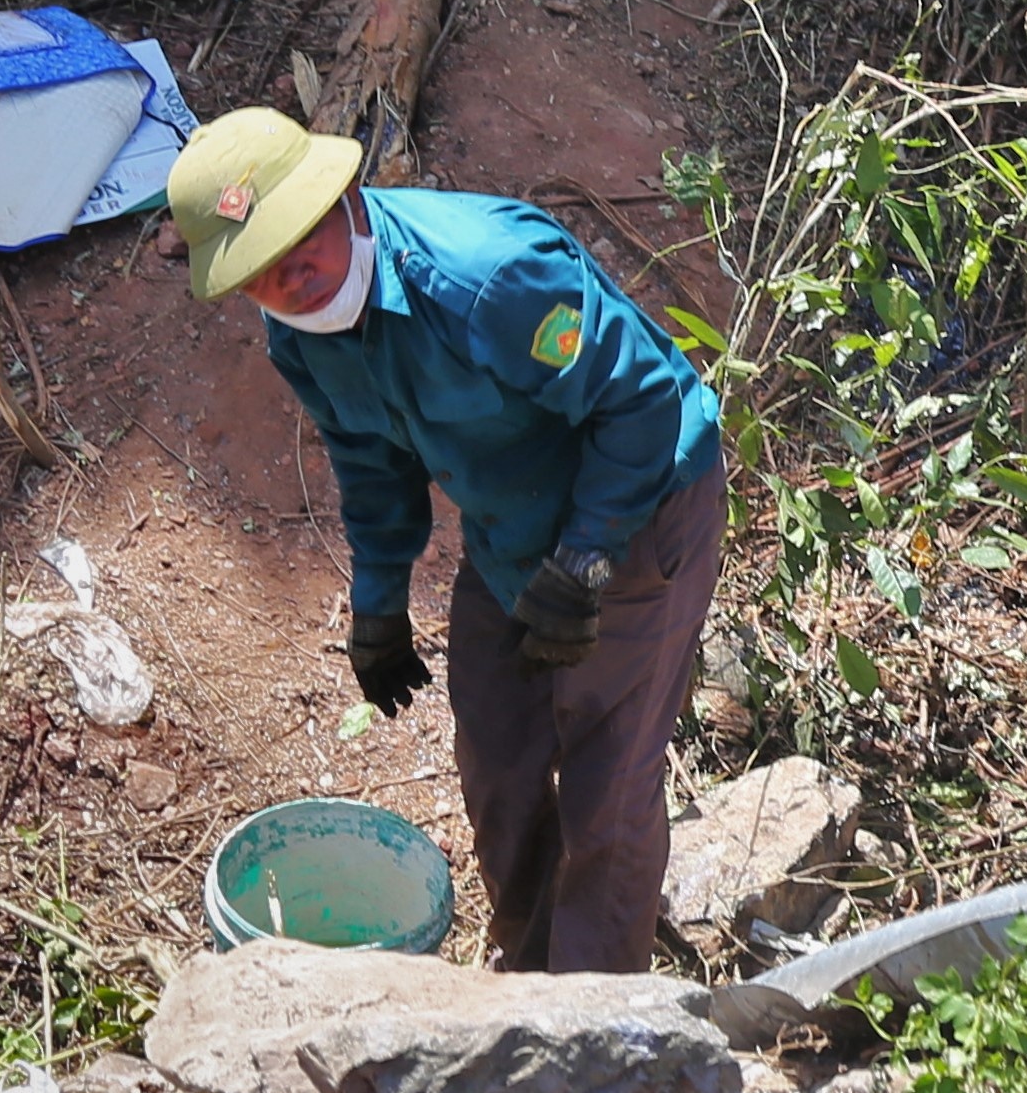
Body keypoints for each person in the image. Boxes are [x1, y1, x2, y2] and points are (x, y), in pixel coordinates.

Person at [163, 107, 729, 973]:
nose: (291, 276)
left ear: (340, 194)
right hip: (510, 525)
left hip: (642, 506)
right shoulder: (300, 334)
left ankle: (593, 1018)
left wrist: (586, 561)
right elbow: (369, 459)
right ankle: (525, 961)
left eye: (299, 239)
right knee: (499, 757)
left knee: (605, 786)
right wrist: (379, 606)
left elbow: (644, 407)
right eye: (259, 268)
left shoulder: (487, 278)